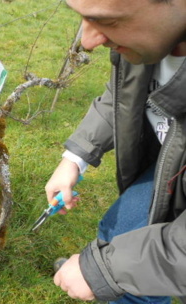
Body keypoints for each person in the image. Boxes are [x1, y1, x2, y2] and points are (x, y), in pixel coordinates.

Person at [46, 0, 186, 303]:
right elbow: (123, 95)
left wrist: (104, 271)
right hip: (171, 163)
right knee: (119, 232)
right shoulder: (146, 44)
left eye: (106, 22)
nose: (87, 42)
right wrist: (75, 158)